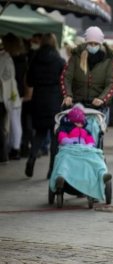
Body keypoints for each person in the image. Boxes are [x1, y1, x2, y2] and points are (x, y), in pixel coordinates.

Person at [25, 33, 65, 178]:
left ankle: (32, 157)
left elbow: (29, 81)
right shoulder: (59, 60)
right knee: (55, 136)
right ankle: (51, 170)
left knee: (40, 133)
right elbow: (64, 83)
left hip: (38, 98)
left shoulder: (35, 59)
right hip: (54, 100)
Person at [61, 26, 113, 111]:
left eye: (96, 44)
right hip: (76, 104)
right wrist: (68, 95)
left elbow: (112, 83)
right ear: (86, 42)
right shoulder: (76, 57)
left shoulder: (108, 60)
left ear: (100, 44)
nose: (93, 46)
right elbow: (66, 77)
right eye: (90, 43)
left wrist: (102, 98)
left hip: (98, 106)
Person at [2, 33, 25, 160]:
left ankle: (15, 148)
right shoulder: (21, 57)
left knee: (14, 121)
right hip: (17, 92)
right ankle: (15, 147)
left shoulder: (13, 58)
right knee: (15, 121)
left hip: (13, 93)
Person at [0, 39, 18, 164]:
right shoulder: (7, 58)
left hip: (3, 97)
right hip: (4, 97)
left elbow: (7, 77)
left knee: (2, 127)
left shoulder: (6, 58)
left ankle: (3, 156)